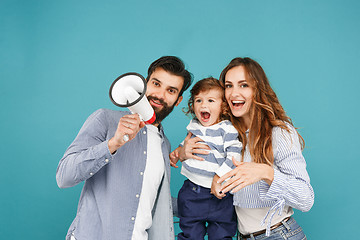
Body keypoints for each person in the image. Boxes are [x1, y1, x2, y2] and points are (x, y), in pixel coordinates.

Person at [56, 56, 193, 240]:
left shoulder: (164, 144)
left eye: (171, 90)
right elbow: (64, 176)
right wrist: (113, 143)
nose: (160, 95)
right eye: (156, 83)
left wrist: (210, 201)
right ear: (144, 83)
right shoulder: (105, 119)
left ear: (178, 100)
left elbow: (153, 203)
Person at [176, 57, 314, 240]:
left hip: (279, 235)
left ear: (257, 89)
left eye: (243, 85)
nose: (234, 93)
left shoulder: (279, 133)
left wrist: (266, 172)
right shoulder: (222, 133)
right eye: (228, 85)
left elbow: (305, 199)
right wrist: (182, 153)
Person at [170, 77, 241, 240]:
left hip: (220, 195)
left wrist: (219, 177)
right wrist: (177, 153)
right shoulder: (194, 125)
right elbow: (187, 143)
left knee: (222, 233)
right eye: (198, 100)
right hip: (192, 191)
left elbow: (234, 155)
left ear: (223, 106)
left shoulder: (227, 129)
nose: (203, 105)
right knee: (190, 233)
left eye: (210, 100)